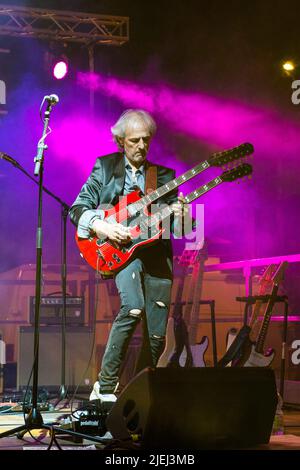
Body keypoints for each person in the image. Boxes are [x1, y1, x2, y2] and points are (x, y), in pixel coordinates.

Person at [69, 109, 194, 403]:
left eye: (146, 141)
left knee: (157, 336)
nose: (141, 146)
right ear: (120, 141)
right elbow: (77, 209)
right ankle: (106, 385)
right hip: (123, 253)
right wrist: (103, 226)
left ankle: (139, 394)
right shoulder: (105, 167)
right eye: (135, 140)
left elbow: (181, 230)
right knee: (133, 307)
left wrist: (185, 216)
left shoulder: (162, 176)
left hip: (157, 257)